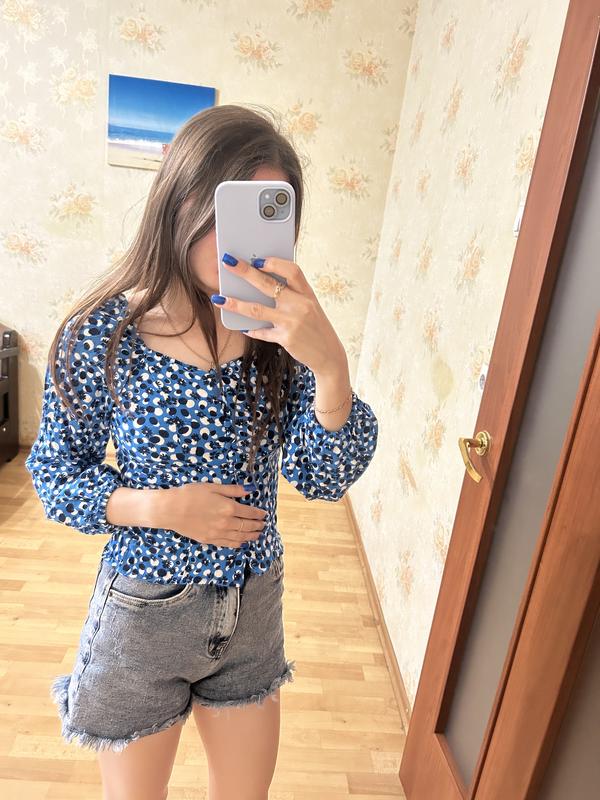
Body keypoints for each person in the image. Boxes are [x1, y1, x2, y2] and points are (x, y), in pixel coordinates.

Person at [25, 104, 379, 800]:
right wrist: (161, 507)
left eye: (266, 217)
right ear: (177, 201)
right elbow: (56, 476)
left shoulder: (282, 340)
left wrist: (332, 369)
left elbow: (323, 477)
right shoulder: (102, 335)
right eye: (222, 211)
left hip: (253, 609)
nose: (235, 243)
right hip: (144, 614)